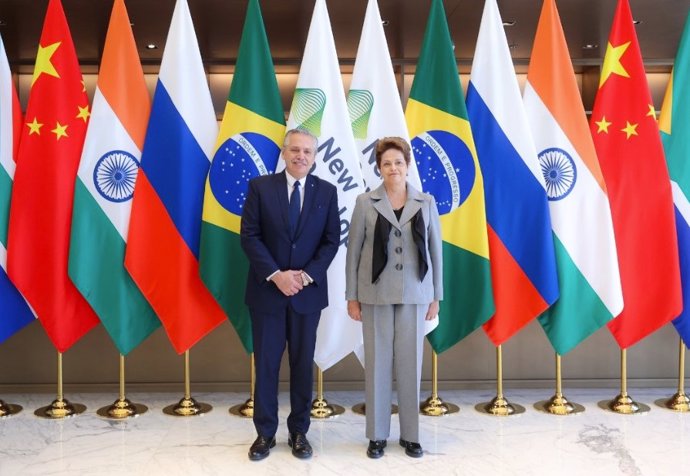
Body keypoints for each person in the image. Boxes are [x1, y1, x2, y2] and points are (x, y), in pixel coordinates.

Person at [241, 128, 340, 461]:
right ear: (284, 153)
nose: (301, 156)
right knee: (266, 366)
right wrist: (276, 275)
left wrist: (306, 276)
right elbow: (250, 236)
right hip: (267, 293)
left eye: (308, 152)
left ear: (315, 157)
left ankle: (299, 432)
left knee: (301, 365)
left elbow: (330, 241)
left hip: (307, 296)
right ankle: (264, 434)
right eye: (295, 150)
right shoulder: (260, 188)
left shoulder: (327, 191)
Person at [346, 137, 443, 459]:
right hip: (374, 293)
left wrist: (435, 296)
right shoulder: (365, 202)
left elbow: (435, 252)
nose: (393, 168)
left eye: (398, 162)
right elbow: (354, 253)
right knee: (376, 364)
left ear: (407, 165)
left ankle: (411, 436)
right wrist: (352, 297)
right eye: (386, 163)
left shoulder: (426, 202)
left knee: (410, 365)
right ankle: (377, 435)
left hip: (416, 293)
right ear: (379, 167)